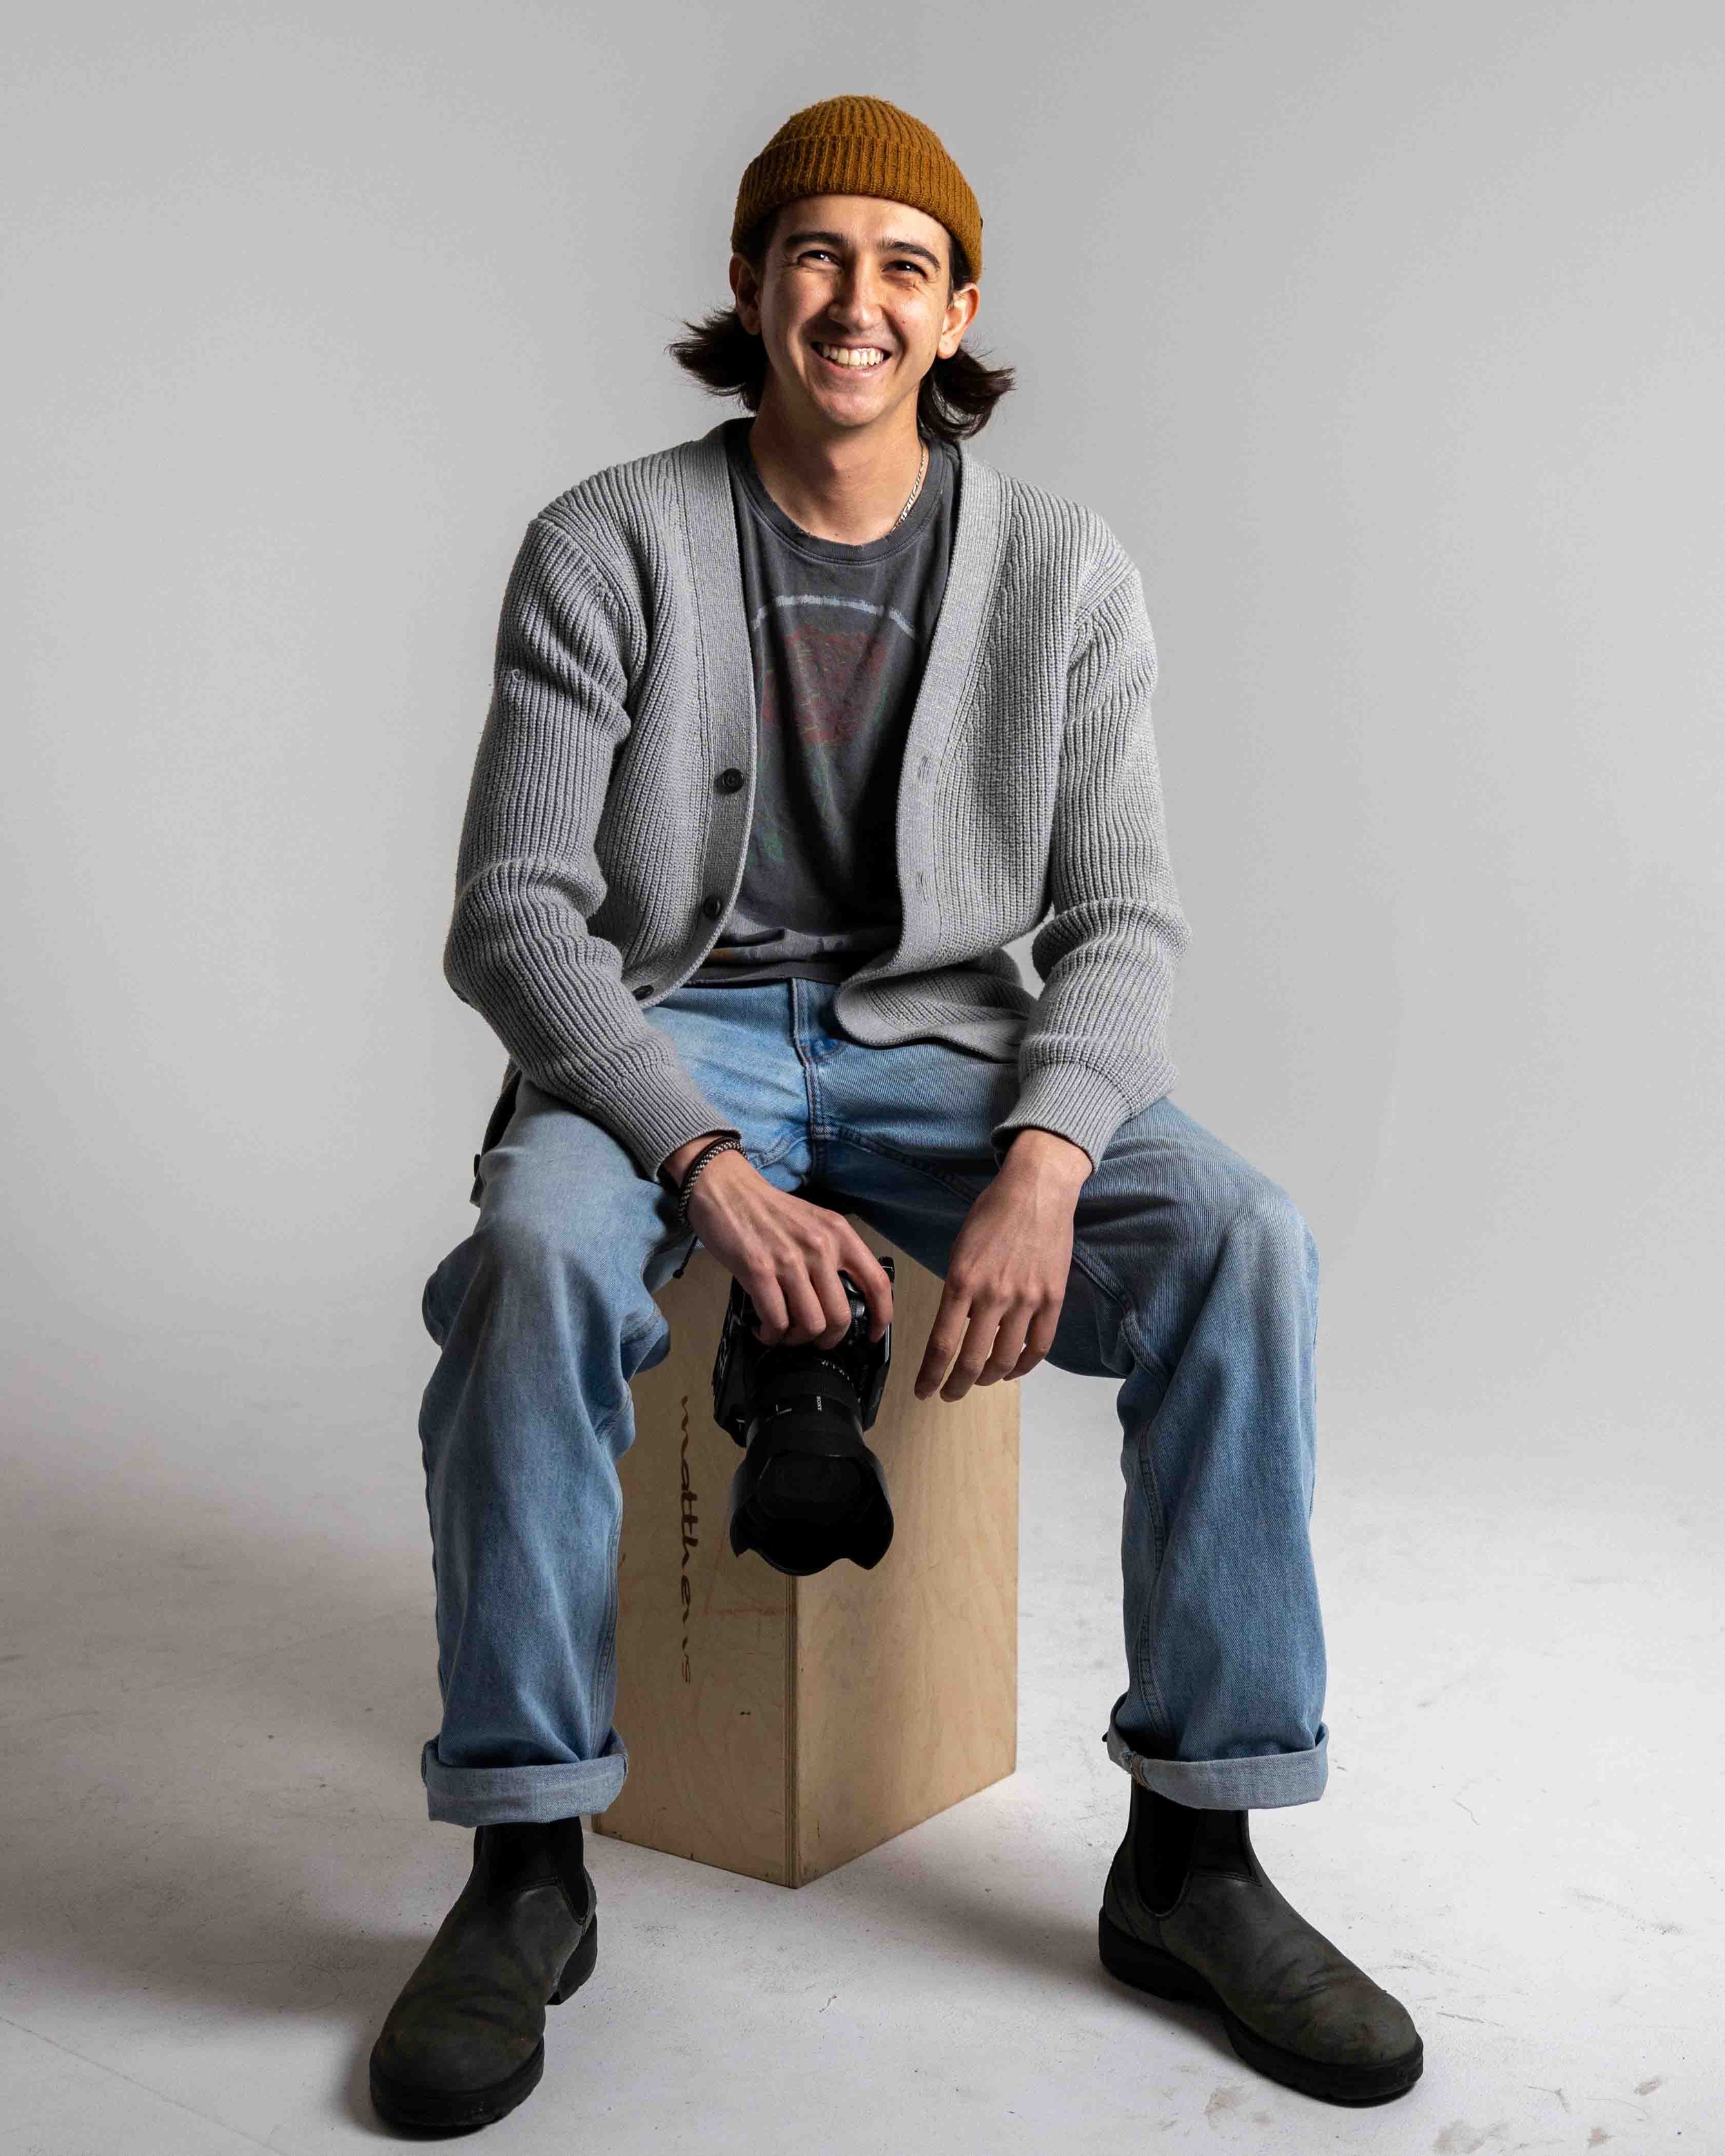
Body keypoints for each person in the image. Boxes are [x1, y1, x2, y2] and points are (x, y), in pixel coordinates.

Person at [368, 93, 1424, 2133]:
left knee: (1238, 1242)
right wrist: (694, 1153)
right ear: (752, 287)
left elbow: (1119, 918)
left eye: (903, 264)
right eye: (816, 254)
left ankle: (1195, 1857)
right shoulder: (606, 540)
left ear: (956, 317)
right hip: (669, 1039)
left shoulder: (1061, 570)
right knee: (524, 1258)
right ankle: (521, 1864)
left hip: (948, 1049)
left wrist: (1045, 1163)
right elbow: (514, 913)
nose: (856, 299)